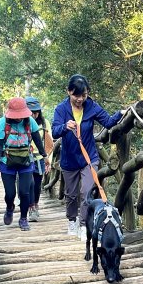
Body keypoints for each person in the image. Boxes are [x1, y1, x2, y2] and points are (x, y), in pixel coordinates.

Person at [52, 74, 126, 241]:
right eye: (76, 95)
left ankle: (85, 225)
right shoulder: (61, 109)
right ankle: (72, 220)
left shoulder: (92, 106)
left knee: (87, 192)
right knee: (71, 195)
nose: (80, 99)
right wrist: (65, 126)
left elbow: (108, 122)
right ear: (69, 92)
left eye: (83, 95)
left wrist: (121, 113)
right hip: (69, 159)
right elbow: (55, 131)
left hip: (89, 158)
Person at [0, 97, 50, 231]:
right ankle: (9, 207)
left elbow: (37, 140)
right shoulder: (2, 123)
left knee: (24, 192)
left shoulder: (30, 122)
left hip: (26, 161)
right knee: (10, 193)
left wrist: (45, 156)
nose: (19, 118)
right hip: (7, 162)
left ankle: (23, 218)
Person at [26, 96, 52, 221]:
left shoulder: (45, 123)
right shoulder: (21, 123)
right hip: (25, 158)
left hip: (40, 158)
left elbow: (49, 144)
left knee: (36, 184)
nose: (34, 114)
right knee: (28, 183)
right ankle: (31, 208)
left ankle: (35, 204)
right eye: (31, 111)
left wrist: (49, 161)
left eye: (36, 111)